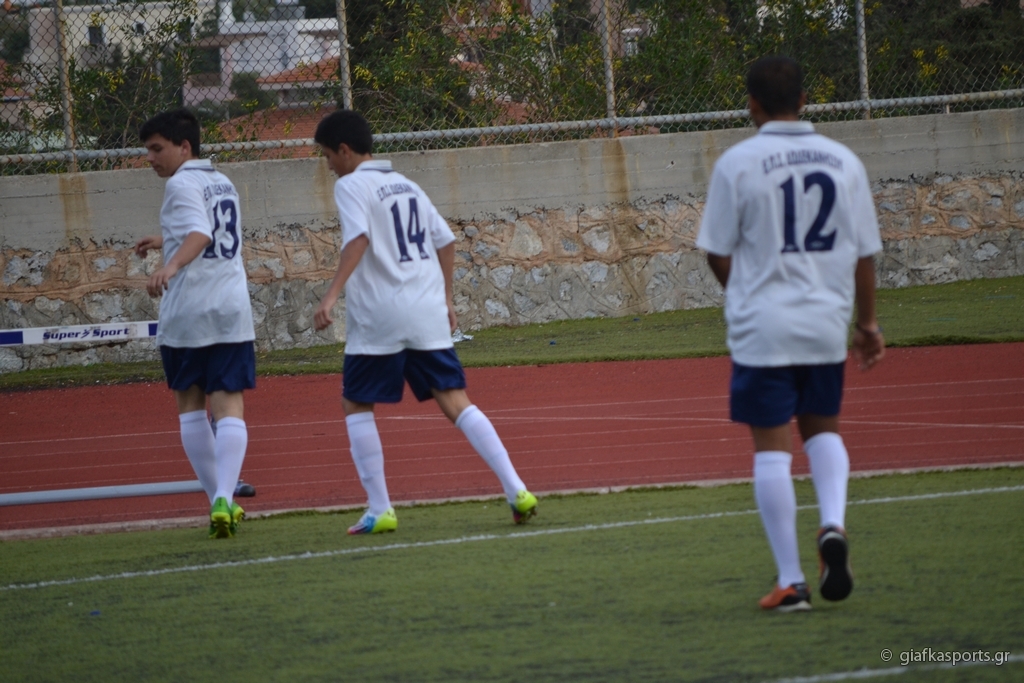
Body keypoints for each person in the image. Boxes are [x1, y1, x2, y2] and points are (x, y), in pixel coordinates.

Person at [695, 56, 885, 612]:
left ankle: (791, 582)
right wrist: (867, 324)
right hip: (824, 322)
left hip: (764, 327)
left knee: (772, 450)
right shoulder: (844, 161)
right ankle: (833, 525)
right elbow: (865, 254)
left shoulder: (737, 163)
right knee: (823, 430)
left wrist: (744, 295)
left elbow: (716, 251)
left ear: (751, 104)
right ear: (804, 100)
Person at [312, 110, 537, 534]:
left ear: (344, 151)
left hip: (381, 313)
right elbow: (446, 241)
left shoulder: (351, 185)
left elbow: (358, 239)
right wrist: (447, 299)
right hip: (426, 310)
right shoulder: (407, 185)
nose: (328, 166)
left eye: (327, 156)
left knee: (356, 403)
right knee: (455, 400)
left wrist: (331, 294)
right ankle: (517, 490)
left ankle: (380, 509)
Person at [133, 108, 255, 539]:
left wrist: (169, 266)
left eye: (157, 149)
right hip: (230, 308)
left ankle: (218, 500)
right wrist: (165, 238)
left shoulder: (180, 183)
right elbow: (211, 230)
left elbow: (200, 234)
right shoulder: (221, 181)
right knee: (229, 406)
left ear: (184, 147)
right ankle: (225, 497)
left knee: (191, 407)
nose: (150, 158)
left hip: (189, 311)